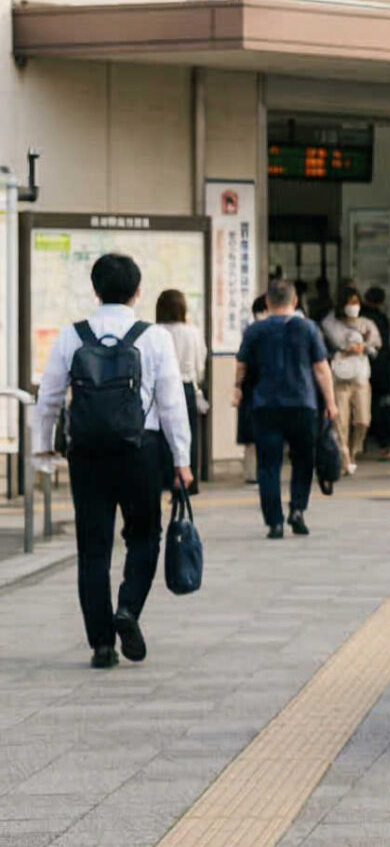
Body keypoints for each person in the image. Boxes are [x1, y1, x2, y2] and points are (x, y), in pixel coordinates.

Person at [31, 254, 195, 668]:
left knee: (93, 548)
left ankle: (102, 644)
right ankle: (127, 610)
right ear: (138, 291)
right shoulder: (154, 337)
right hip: (141, 449)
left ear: (95, 289)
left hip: (87, 454)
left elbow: (48, 396)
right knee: (144, 537)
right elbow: (172, 403)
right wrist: (182, 458)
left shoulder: (73, 335)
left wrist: (41, 447)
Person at [236, 280, 334, 540]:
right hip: (303, 405)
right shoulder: (308, 328)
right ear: (295, 302)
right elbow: (321, 368)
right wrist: (331, 403)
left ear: (267, 303)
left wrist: (237, 389)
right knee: (303, 461)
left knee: (268, 465)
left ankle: (275, 523)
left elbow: (242, 365)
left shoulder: (255, 330)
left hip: (265, 406)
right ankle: (298, 511)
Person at [321, 288, 381, 476]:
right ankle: (344, 458)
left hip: (361, 376)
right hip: (340, 377)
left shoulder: (367, 323)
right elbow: (335, 344)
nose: (353, 306)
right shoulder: (332, 323)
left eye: (356, 302)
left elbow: (375, 346)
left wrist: (361, 347)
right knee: (340, 422)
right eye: (350, 302)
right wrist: (352, 346)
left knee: (363, 420)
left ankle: (354, 451)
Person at [154, 289, 209, 484]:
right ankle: (188, 480)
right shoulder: (192, 332)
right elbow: (200, 363)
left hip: (159, 389)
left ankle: (163, 478)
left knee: (161, 434)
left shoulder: (155, 332)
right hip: (186, 386)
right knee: (187, 434)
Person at [238, 290, 273, 480]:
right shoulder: (257, 331)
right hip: (257, 388)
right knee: (255, 434)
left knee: (254, 435)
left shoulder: (252, 331)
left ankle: (253, 472)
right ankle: (255, 472)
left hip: (252, 388)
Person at [362, 286, 390, 459]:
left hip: (365, 368)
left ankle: (360, 443)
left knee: (365, 407)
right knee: (382, 407)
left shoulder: (361, 318)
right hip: (383, 369)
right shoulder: (382, 318)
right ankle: (384, 444)